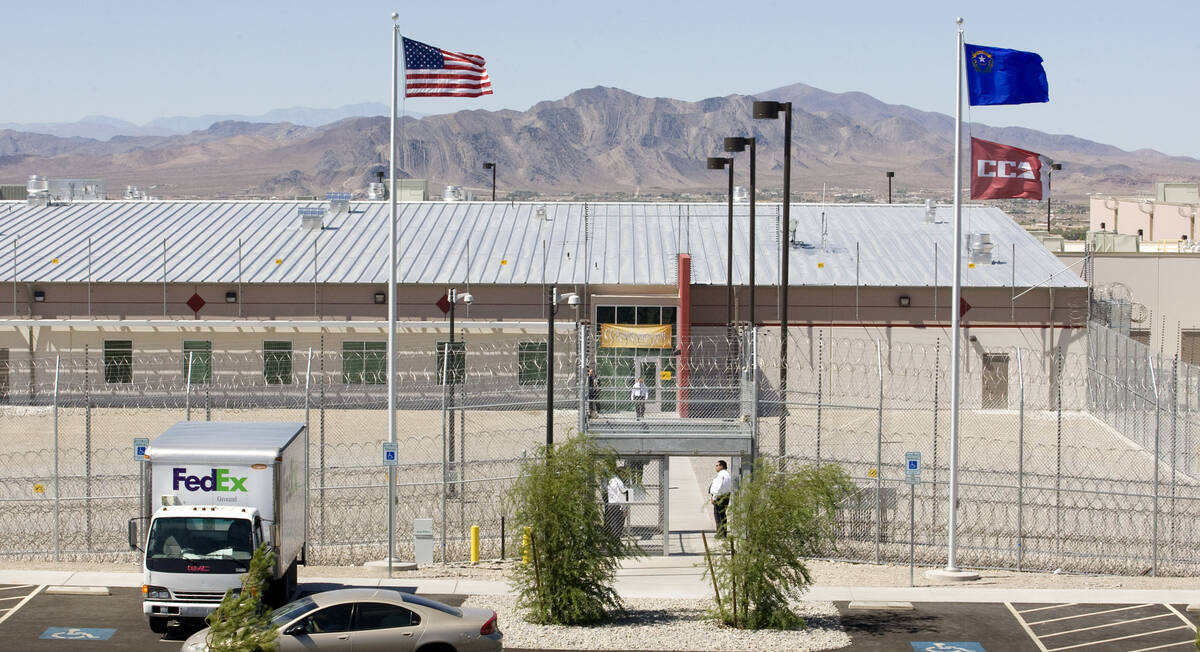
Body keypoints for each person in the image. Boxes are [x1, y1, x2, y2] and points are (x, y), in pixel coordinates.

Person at [709, 459, 732, 538]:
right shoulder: (728, 475)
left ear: (722, 466)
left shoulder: (721, 475)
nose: (716, 467)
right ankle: (724, 533)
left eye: (717, 465)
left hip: (720, 497)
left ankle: (720, 534)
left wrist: (714, 497)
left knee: (718, 515)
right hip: (726, 496)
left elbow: (718, 487)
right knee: (723, 515)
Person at [604, 472, 628, 537]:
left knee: (613, 522)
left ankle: (614, 538)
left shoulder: (610, 479)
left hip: (611, 504)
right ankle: (616, 538)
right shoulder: (620, 482)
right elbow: (625, 496)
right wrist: (625, 508)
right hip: (619, 505)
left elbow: (605, 489)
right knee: (619, 523)